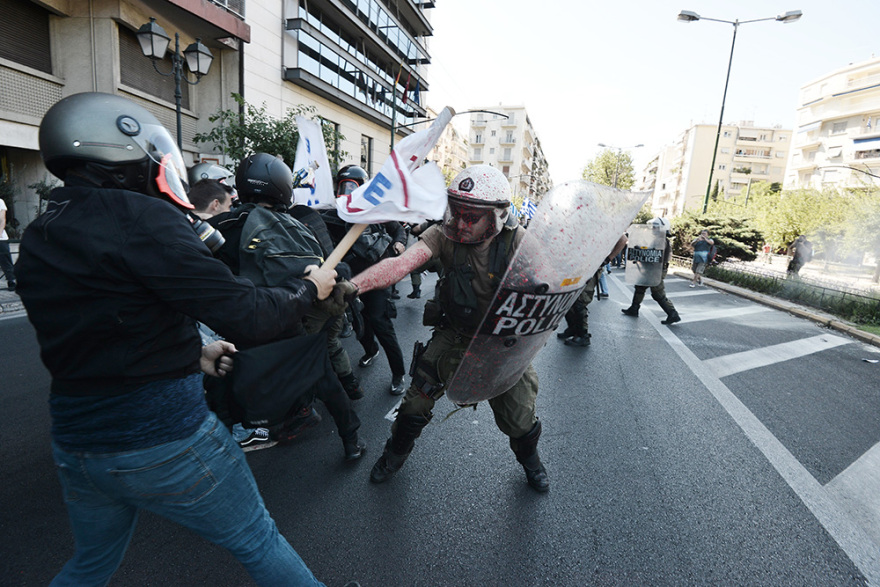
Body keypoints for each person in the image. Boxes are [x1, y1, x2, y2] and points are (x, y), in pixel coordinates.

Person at [15, 92, 341, 586]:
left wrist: (195, 350)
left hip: (78, 441)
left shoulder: (42, 231)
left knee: (91, 563)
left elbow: (99, 323)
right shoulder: (144, 219)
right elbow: (247, 314)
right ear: (126, 151)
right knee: (257, 540)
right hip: (162, 432)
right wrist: (306, 289)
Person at [352, 164, 551, 493]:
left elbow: (550, 285)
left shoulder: (518, 242)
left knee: (519, 418)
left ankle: (532, 462)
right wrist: (351, 286)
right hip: (454, 332)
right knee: (414, 404)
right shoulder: (443, 236)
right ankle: (394, 455)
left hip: (501, 341)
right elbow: (401, 265)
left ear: (497, 217)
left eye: (471, 216)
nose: (460, 223)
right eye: (456, 212)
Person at [208, 153, 365, 460]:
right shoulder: (297, 225)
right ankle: (351, 441)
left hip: (245, 324)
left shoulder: (224, 225)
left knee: (221, 382)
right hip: (292, 318)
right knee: (325, 378)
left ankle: (232, 439)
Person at [327, 165, 409, 396]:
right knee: (360, 323)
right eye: (344, 184)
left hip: (377, 276)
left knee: (380, 323)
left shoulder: (377, 210)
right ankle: (371, 350)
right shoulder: (334, 214)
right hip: (351, 280)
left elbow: (398, 230)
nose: (348, 189)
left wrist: (399, 243)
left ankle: (398, 373)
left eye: (353, 184)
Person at [557, 237, 627, 346]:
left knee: (580, 302)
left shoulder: (604, 223)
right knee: (568, 300)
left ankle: (583, 335)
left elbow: (622, 239)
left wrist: (608, 259)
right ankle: (572, 329)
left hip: (590, 269)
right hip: (574, 267)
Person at [621, 218, 681, 325]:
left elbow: (654, 254)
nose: (653, 228)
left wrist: (641, 252)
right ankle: (634, 308)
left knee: (658, 293)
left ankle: (673, 313)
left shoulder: (661, 240)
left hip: (656, 270)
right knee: (640, 287)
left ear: (663, 228)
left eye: (656, 226)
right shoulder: (657, 238)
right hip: (651, 269)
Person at [0, 196, 14, 291]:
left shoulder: (0, 202)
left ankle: (11, 280)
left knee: (5, 259)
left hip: (1, 237)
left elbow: (2, 220)